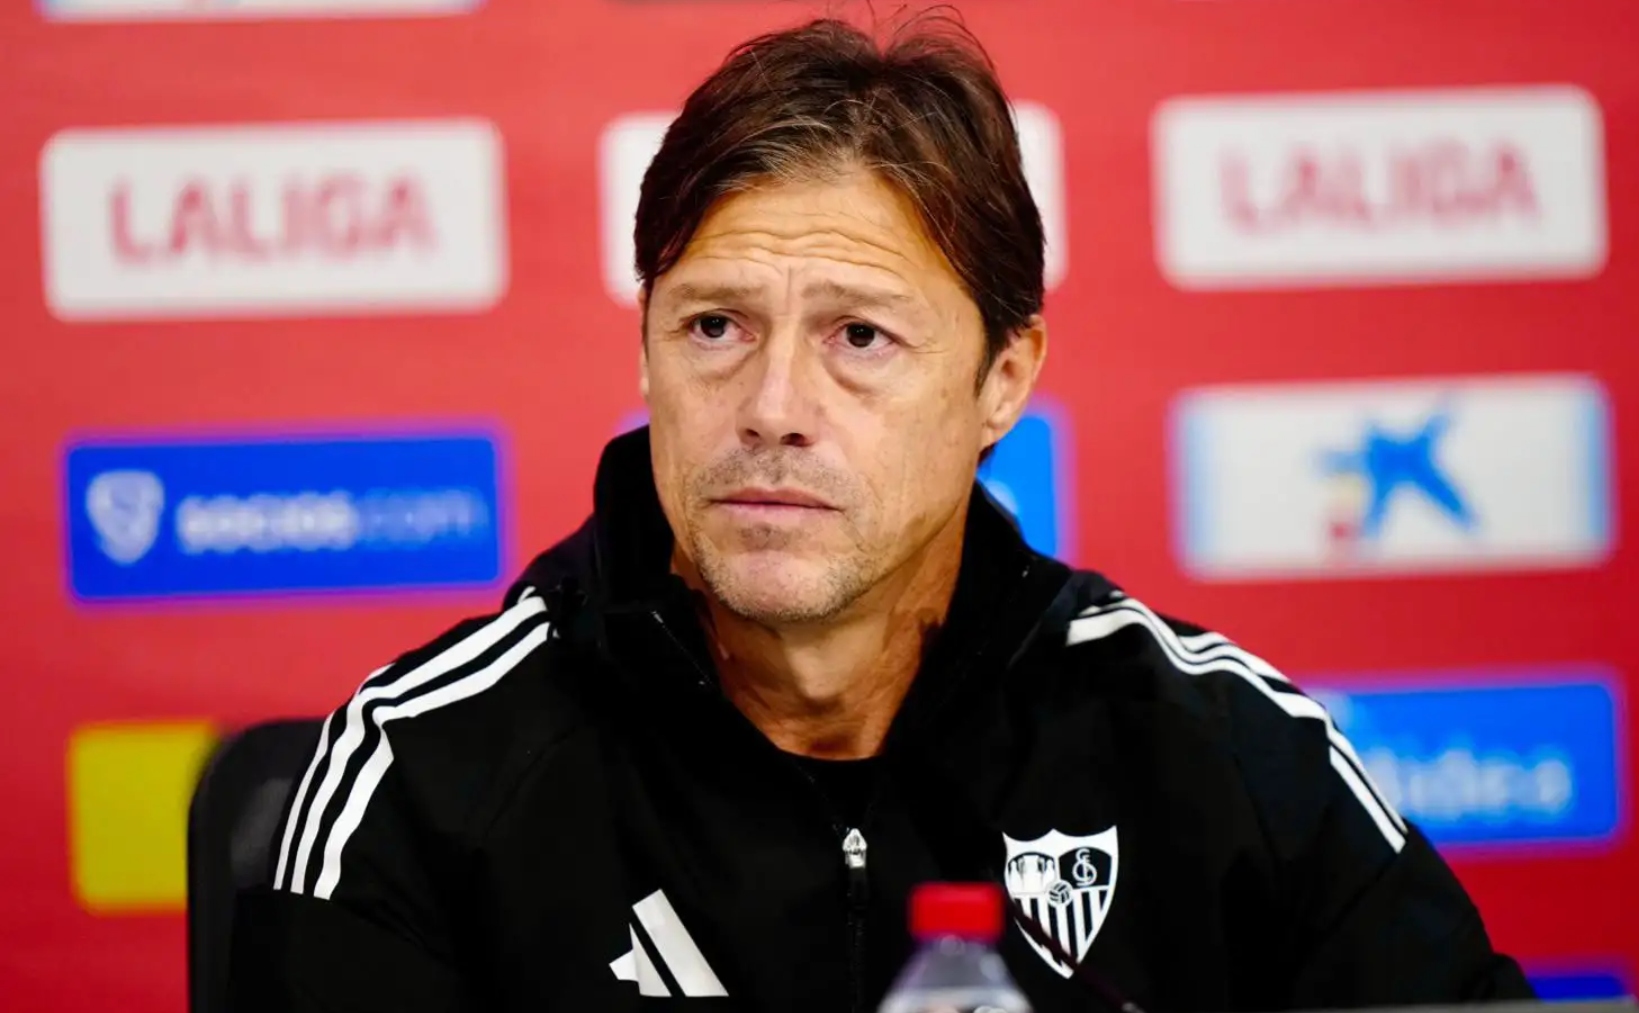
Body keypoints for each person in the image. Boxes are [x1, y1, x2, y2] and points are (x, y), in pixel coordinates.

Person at [229, 14, 1535, 1013]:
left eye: (859, 336)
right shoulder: (429, 775)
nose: (771, 408)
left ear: (1003, 378)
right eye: (715, 327)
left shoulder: (1214, 751)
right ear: (645, 349)